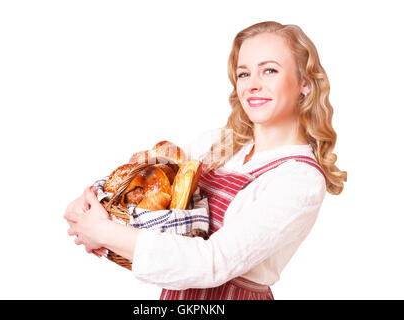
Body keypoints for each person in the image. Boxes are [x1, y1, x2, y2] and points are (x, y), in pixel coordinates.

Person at [64, 21, 347, 300]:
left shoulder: (300, 179)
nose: (252, 85)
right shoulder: (220, 144)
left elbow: (211, 263)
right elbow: (148, 180)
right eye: (244, 74)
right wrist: (93, 201)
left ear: (305, 84)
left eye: (269, 70)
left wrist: (103, 231)